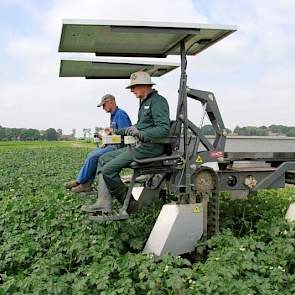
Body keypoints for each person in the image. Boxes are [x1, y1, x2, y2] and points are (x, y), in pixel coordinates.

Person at [81, 71, 170, 213]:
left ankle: (130, 204)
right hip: (140, 146)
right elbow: (140, 125)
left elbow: (164, 129)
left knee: (109, 170)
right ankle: (103, 201)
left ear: (144, 85)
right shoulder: (145, 102)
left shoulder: (158, 101)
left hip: (150, 148)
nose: (132, 91)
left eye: (134, 87)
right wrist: (118, 131)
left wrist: (142, 134)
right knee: (103, 158)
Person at [64, 94, 132, 193]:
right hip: (113, 145)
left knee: (93, 156)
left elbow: (125, 134)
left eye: (104, 105)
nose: (103, 108)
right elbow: (115, 133)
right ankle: (86, 184)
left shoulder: (120, 114)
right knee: (92, 155)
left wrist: (108, 137)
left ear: (111, 102)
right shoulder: (114, 115)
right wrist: (105, 138)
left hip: (120, 147)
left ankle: (80, 182)